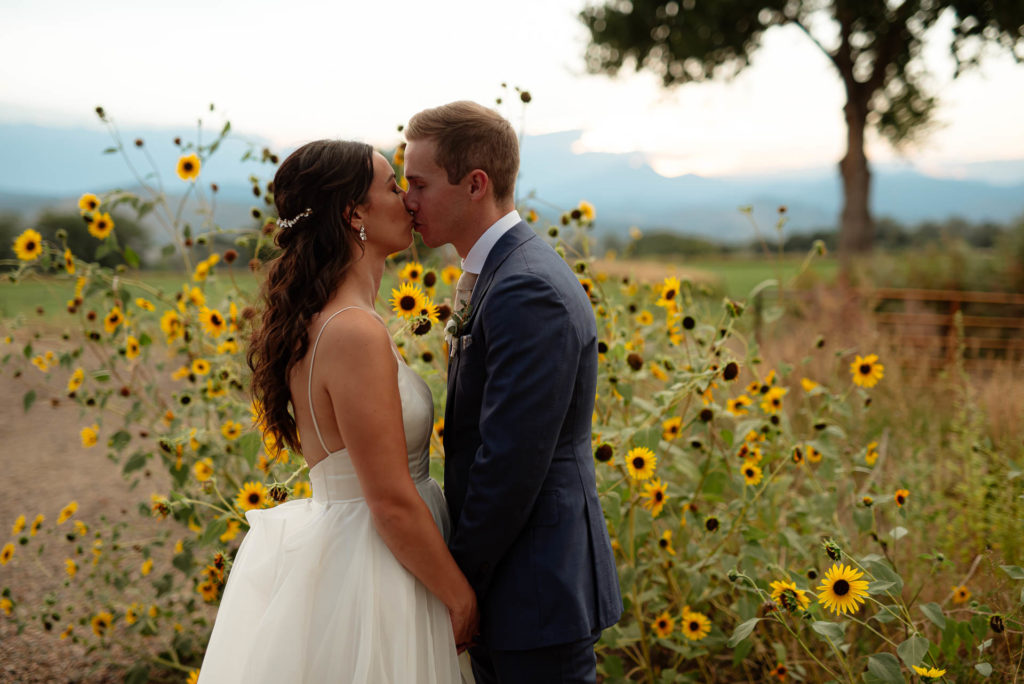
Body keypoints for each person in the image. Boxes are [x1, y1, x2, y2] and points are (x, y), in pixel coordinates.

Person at [197, 140, 475, 683]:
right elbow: (391, 500)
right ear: (354, 214)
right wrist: (459, 595)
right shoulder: (352, 330)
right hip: (381, 566)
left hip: (364, 548)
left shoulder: (330, 319)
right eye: (393, 186)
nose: (407, 199)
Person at [404, 101, 622, 683]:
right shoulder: (495, 271)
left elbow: (510, 463)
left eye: (419, 184)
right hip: (519, 577)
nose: (408, 201)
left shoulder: (527, 288)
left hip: (536, 583)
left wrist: (459, 582)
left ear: (476, 184)